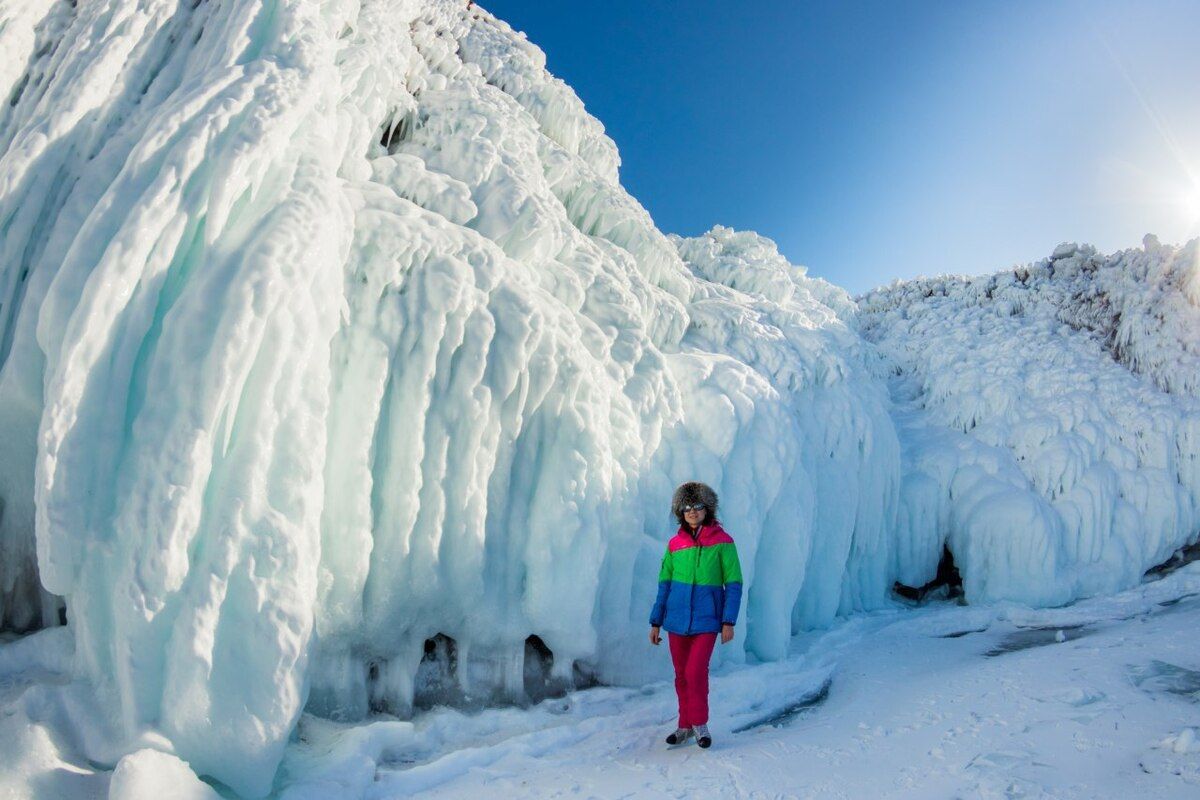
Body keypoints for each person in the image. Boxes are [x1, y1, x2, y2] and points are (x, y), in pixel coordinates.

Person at [648, 481, 742, 749]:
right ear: (681, 511)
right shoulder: (675, 544)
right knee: (681, 674)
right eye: (687, 507)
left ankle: (700, 724)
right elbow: (664, 584)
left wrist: (728, 621)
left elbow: (733, 584)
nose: (692, 511)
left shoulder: (723, 543)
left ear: (707, 509)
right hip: (676, 621)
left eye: (697, 506)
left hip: (706, 621)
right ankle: (684, 725)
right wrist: (656, 621)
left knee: (695, 671)